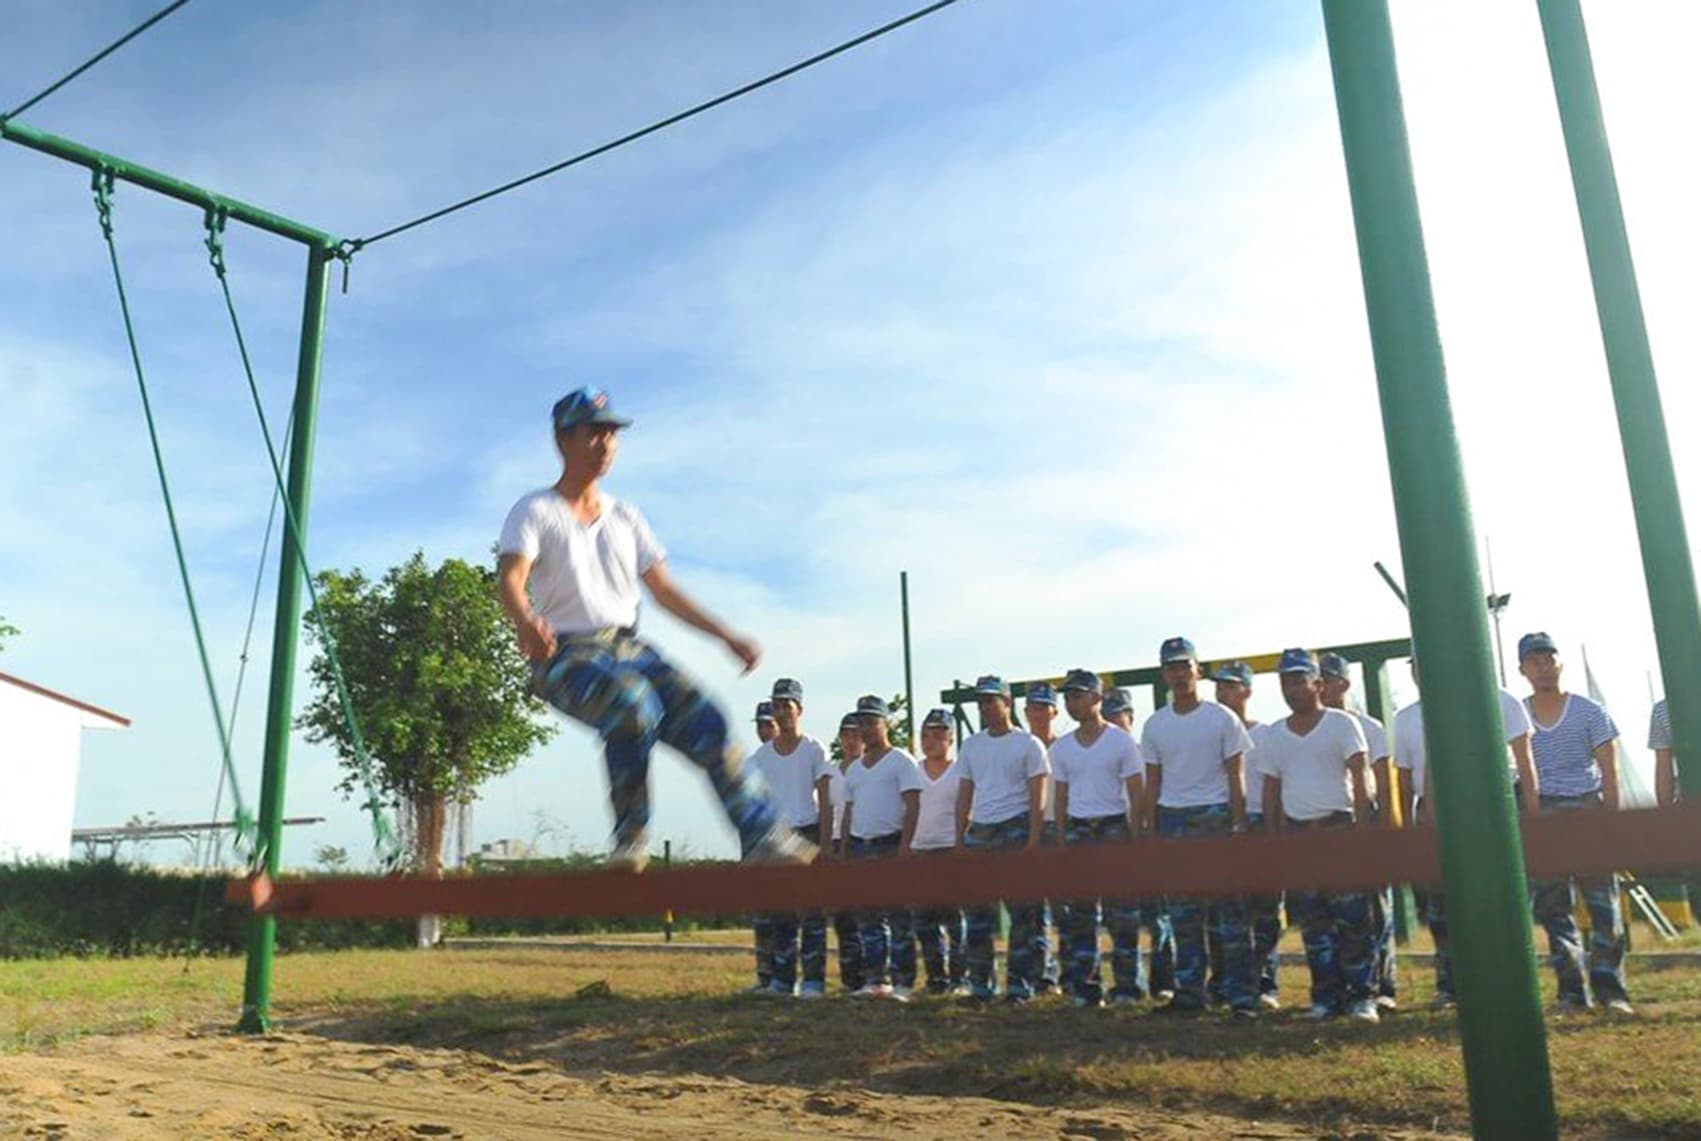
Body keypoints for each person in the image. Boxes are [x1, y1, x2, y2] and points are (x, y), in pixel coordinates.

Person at [497, 387, 811, 872]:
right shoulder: (536, 510)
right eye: (593, 433)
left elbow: (664, 590)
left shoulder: (626, 517)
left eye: (611, 434)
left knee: (709, 717)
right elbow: (510, 579)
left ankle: (763, 836)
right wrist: (525, 620)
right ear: (563, 440)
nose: (605, 444)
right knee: (631, 703)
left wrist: (725, 635)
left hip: (629, 647)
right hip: (563, 654)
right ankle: (630, 841)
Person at [1391, 656, 1534, 1008]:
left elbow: (1524, 761)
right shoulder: (1406, 718)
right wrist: (1409, 830)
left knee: (1497, 901)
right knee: (1442, 908)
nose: (1422, 672)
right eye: (1416, 666)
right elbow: (1406, 779)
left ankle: (1507, 981)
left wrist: (1532, 813)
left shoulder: (1500, 700)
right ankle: (1449, 985)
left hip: (1491, 811)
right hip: (1434, 815)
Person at [1258, 648, 1380, 1023]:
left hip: (1338, 829)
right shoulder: (1274, 734)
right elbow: (1270, 790)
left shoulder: (1342, 724)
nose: (1292, 689)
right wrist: (1275, 840)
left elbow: (1360, 778)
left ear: (1319, 684)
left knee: (1354, 920)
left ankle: (1362, 996)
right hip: (1299, 835)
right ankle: (1326, 997)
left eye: (1299, 680)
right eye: (1286, 682)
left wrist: (1362, 833)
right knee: (1314, 923)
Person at [1141, 638, 1257, 1017]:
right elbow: (1153, 782)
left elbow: (1236, 776)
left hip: (1216, 817)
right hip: (1173, 819)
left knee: (1230, 915)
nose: (1179, 675)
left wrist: (1238, 824)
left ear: (1198, 670)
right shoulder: (1155, 724)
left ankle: (1241, 997)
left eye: (1184, 666)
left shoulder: (1222, 718)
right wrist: (1152, 831)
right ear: (1164, 674)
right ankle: (1190, 993)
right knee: (1183, 916)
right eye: (1171, 668)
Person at [1519, 632, 1632, 1015]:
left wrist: (1612, 822)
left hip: (1588, 808)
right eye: (1534, 661)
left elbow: (1610, 770)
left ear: (1560, 663)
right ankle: (1571, 992)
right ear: (1522, 669)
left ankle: (1611, 991)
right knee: (1554, 910)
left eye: (1549, 659)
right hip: (1544, 813)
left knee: (1604, 907)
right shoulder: (1518, 717)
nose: (1543, 668)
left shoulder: (1590, 711)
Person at [1051, 669, 1145, 1007]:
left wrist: (1137, 835)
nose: (1071, 703)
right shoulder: (1062, 748)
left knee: (1122, 913)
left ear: (1097, 698)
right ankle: (1086, 988)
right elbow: (1060, 797)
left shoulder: (1121, 741)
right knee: (1081, 915)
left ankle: (1127, 987)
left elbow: (1136, 791)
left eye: (1077, 696)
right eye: (1068, 697)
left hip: (1113, 828)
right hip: (1078, 829)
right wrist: (1062, 839)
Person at [955, 675, 1050, 1002]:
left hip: (1016, 827)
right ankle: (981, 985)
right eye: (980, 701)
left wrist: (1033, 839)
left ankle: (1019, 986)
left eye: (991, 700)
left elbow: (1038, 796)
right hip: (981, 831)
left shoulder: (1029, 744)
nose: (984, 707)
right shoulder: (971, 745)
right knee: (977, 916)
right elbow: (964, 793)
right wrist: (960, 838)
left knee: (1022, 916)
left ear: (1007, 703)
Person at [1318, 652, 1398, 1011]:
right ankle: (1341, 988)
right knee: (1337, 913)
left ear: (1344, 684)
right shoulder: (1312, 726)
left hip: (1366, 818)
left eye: (1327, 679)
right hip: (1330, 823)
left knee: (1376, 908)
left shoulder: (1370, 727)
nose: (1320, 686)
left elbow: (1382, 779)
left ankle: (1384, 986)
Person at [749, 679, 836, 998]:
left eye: (787, 705)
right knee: (781, 914)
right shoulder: (760, 757)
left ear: (800, 709)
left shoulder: (813, 749)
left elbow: (825, 798)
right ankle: (782, 981)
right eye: (777, 705)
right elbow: (752, 803)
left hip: (808, 831)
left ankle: (813, 981)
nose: (782, 711)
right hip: (777, 838)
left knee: (812, 914)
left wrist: (824, 843)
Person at [841, 694, 923, 1001]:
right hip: (861, 846)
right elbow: (849, 810)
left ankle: (903, 982)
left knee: (899, 917)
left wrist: (906, 845)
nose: (865, 728)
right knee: (868, 919)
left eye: (871, 722)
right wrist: (846, 848)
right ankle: (876, 979)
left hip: (891, 844)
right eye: (861, 722)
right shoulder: (854, 770)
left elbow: (913, 805)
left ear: (885, 723)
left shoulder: (901, 761)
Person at [1212, 661, 1281, 1009]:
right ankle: (1228, 982)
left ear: (1247, 691)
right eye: (1219, 686)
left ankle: (1265, 983)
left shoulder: (1267, 734)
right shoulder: (1210, 732)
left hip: (1259, 822)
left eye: (1231, 686)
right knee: (1227, 912)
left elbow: (1275, 782)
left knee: (1265, 909)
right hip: (1224, 823)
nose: (1222, 692)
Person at [1106, 686, 1175, 999]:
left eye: (1117, 715)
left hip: (1148, 842)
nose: (1112, 721)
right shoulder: (1102, 756)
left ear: (1130, 717)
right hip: (1116, 841)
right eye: (1107, 716)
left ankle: (1165, 982)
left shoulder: (1147, 755)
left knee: (1158, 919)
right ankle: (1128, 984)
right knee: (1120, 920)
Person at [910, 707, 967, 995]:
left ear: (951, 738)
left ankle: (961, 979)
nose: (930, 741)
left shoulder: (961, 772)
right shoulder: (912, 771)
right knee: (924, 922)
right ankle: (935, 979)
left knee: (956, 920)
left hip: (951, 851)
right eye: (925, 735)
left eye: (937, 734)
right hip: (920, 850)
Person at [1024, 681, 1064, 996]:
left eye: (1043, 707)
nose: (1037, 713)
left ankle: (1071, 973)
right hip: (1029, 830)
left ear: (1054, 712)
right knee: (1034, 910)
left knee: (1068, 908)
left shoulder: (1066, 747)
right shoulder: (1020, 746)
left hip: (1062, 828)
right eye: (1032, 708)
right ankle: (1042, 975)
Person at [828, 712, 866, 994]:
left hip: (862, 841)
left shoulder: (870, 769)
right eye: (846, 735)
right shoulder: (829, 772)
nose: (851, 740)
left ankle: (874, 974)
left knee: (867, 914)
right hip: (833, 843)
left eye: (856, 734)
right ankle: (851, 977)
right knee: (842, 916)